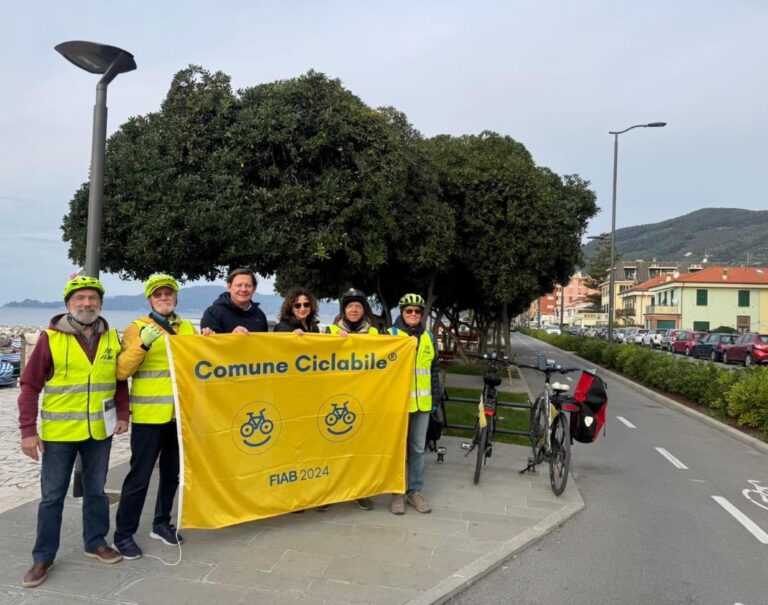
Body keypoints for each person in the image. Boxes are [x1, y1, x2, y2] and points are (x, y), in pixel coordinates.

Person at [17, 277, 129, 588]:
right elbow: (29, 386)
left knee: (96, 491)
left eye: (92, 298)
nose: (86, 303)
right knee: (52, 496)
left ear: (100, 303)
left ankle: (96, 542)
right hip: (60, 433)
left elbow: (119, 380)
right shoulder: (51, 338)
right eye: (79, 298)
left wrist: (123, 414)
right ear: (68, 304)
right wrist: (27, 430)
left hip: (99, 432)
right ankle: (43, 557)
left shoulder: (111, 338)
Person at [112, 274, 196, 560]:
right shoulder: (137, 328)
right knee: (139, 477)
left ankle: (161, 524)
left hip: (179, 416)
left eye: (168, 293)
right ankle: (123, 534)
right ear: (149, 299)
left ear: (176, 297)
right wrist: (142, 345)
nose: (164, 298)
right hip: (149, 416)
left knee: (172, 474)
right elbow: (121, 371)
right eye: (158, 294)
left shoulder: (188, 327)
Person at [323, 288, 379, 511]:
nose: (354, 309)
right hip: (335, 395)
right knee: (331, 447)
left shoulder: (374, 333)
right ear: (343, 310)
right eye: (350, 306)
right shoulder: (330, 331)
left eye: (358, 306)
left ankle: (360, 491)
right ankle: (329, 492)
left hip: (364, 396)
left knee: (360, 448)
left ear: (364, 310)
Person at [387, 293, 440, 515]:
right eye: (409, 310)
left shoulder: (428, 336)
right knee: (398, 450)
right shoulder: (391, 335)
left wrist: (436, 399)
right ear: (401, 313)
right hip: (399, 406)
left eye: (417, 311)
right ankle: (397, 493)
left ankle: (414, 492)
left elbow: (433, 370)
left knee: (418, 450)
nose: (413, 314)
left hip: (423, 404)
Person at [200, 268, 267, 334]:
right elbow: (210, 340)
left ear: (254, 289)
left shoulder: (260, 315)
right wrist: (232, 337)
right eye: (239, 285)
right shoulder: (213, 313)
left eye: (248, 286)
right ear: (229, 287)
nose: (243, 289)